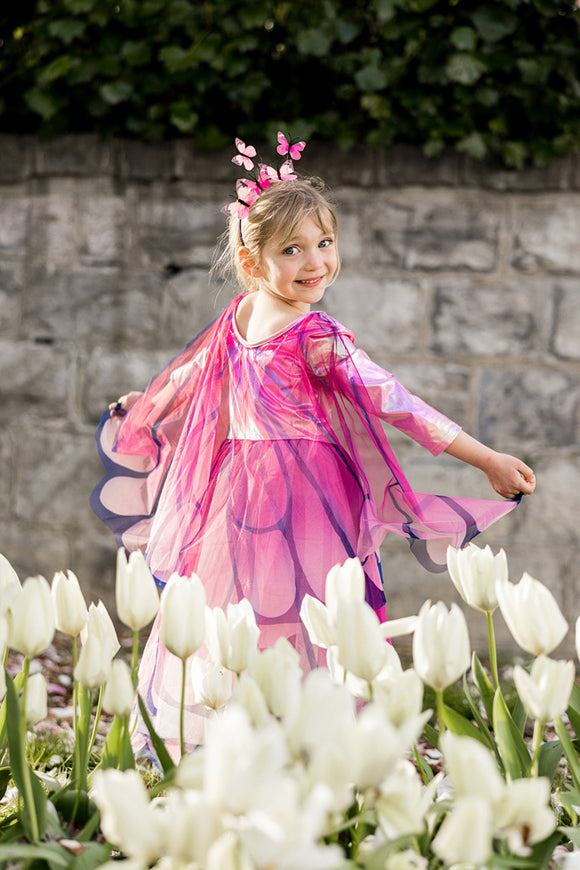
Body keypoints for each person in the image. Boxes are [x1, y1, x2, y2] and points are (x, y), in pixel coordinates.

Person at [91, 133, 535, 759]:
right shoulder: (305, 332)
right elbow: (393, 401)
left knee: (247, 608)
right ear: (252, 263)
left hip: (239, 489)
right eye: (292, 249)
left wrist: (144, 409)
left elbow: (193, 382)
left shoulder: (247, 317)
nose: (315, 262)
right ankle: (297, 741)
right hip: (300, 495)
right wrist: (485, 458)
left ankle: (241, 736)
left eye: (325, 243)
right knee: (298, 609)